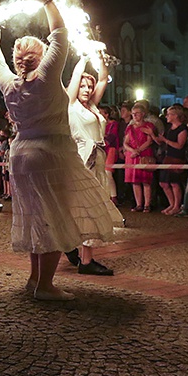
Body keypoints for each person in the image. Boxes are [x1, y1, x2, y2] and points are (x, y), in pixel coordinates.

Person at [0, 0, 116, 301]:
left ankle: (35, 280)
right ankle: (45, 286)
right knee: (57, 218)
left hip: (19, 154)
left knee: (35, 217)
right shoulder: (45, 76)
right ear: (41, 57)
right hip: (49, 153)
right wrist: (46, 1)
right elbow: (60, 33)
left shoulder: (9, 82)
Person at [65, 53, 123, 275]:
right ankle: (86, 260)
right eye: (82, 86)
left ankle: (69, 245)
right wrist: (82, 57)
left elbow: (103, 79)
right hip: (82, 158)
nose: (87, 90)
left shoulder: (93, 107)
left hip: (97, 158)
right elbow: (75, 77)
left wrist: (99, 60)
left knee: (88, 206)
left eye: (89, 87)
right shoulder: (70, 105)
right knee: (86, 208)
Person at [123, 103, 157, 212]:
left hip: (144, 154)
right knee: (135, 181)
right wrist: (133, 151)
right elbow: (126, 142)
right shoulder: (130, 127)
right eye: (133, 114)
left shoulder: (149, 126)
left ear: (143, 114)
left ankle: (147, 204)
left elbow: (149, 141)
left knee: (145, 180)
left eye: (137, 113)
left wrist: (138, 151)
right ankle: (139, 204)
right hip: (132, 155)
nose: (135, 116)